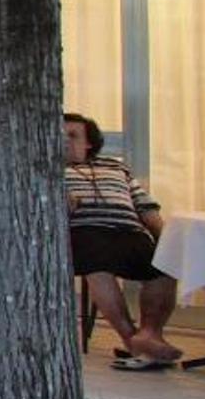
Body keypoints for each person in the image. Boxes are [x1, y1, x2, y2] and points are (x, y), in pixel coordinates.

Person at [65, 112, 182, 368]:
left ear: (88, 142)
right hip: (86, 231)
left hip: (129, 231)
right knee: (98, 264)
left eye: (72, 135)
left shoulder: (117, 168)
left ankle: (150, 335)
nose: (64, 140)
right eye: (59, 135)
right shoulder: (50, 170)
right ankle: (132, 340)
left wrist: (166, 240)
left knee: (165, 264)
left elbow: (145, 206)